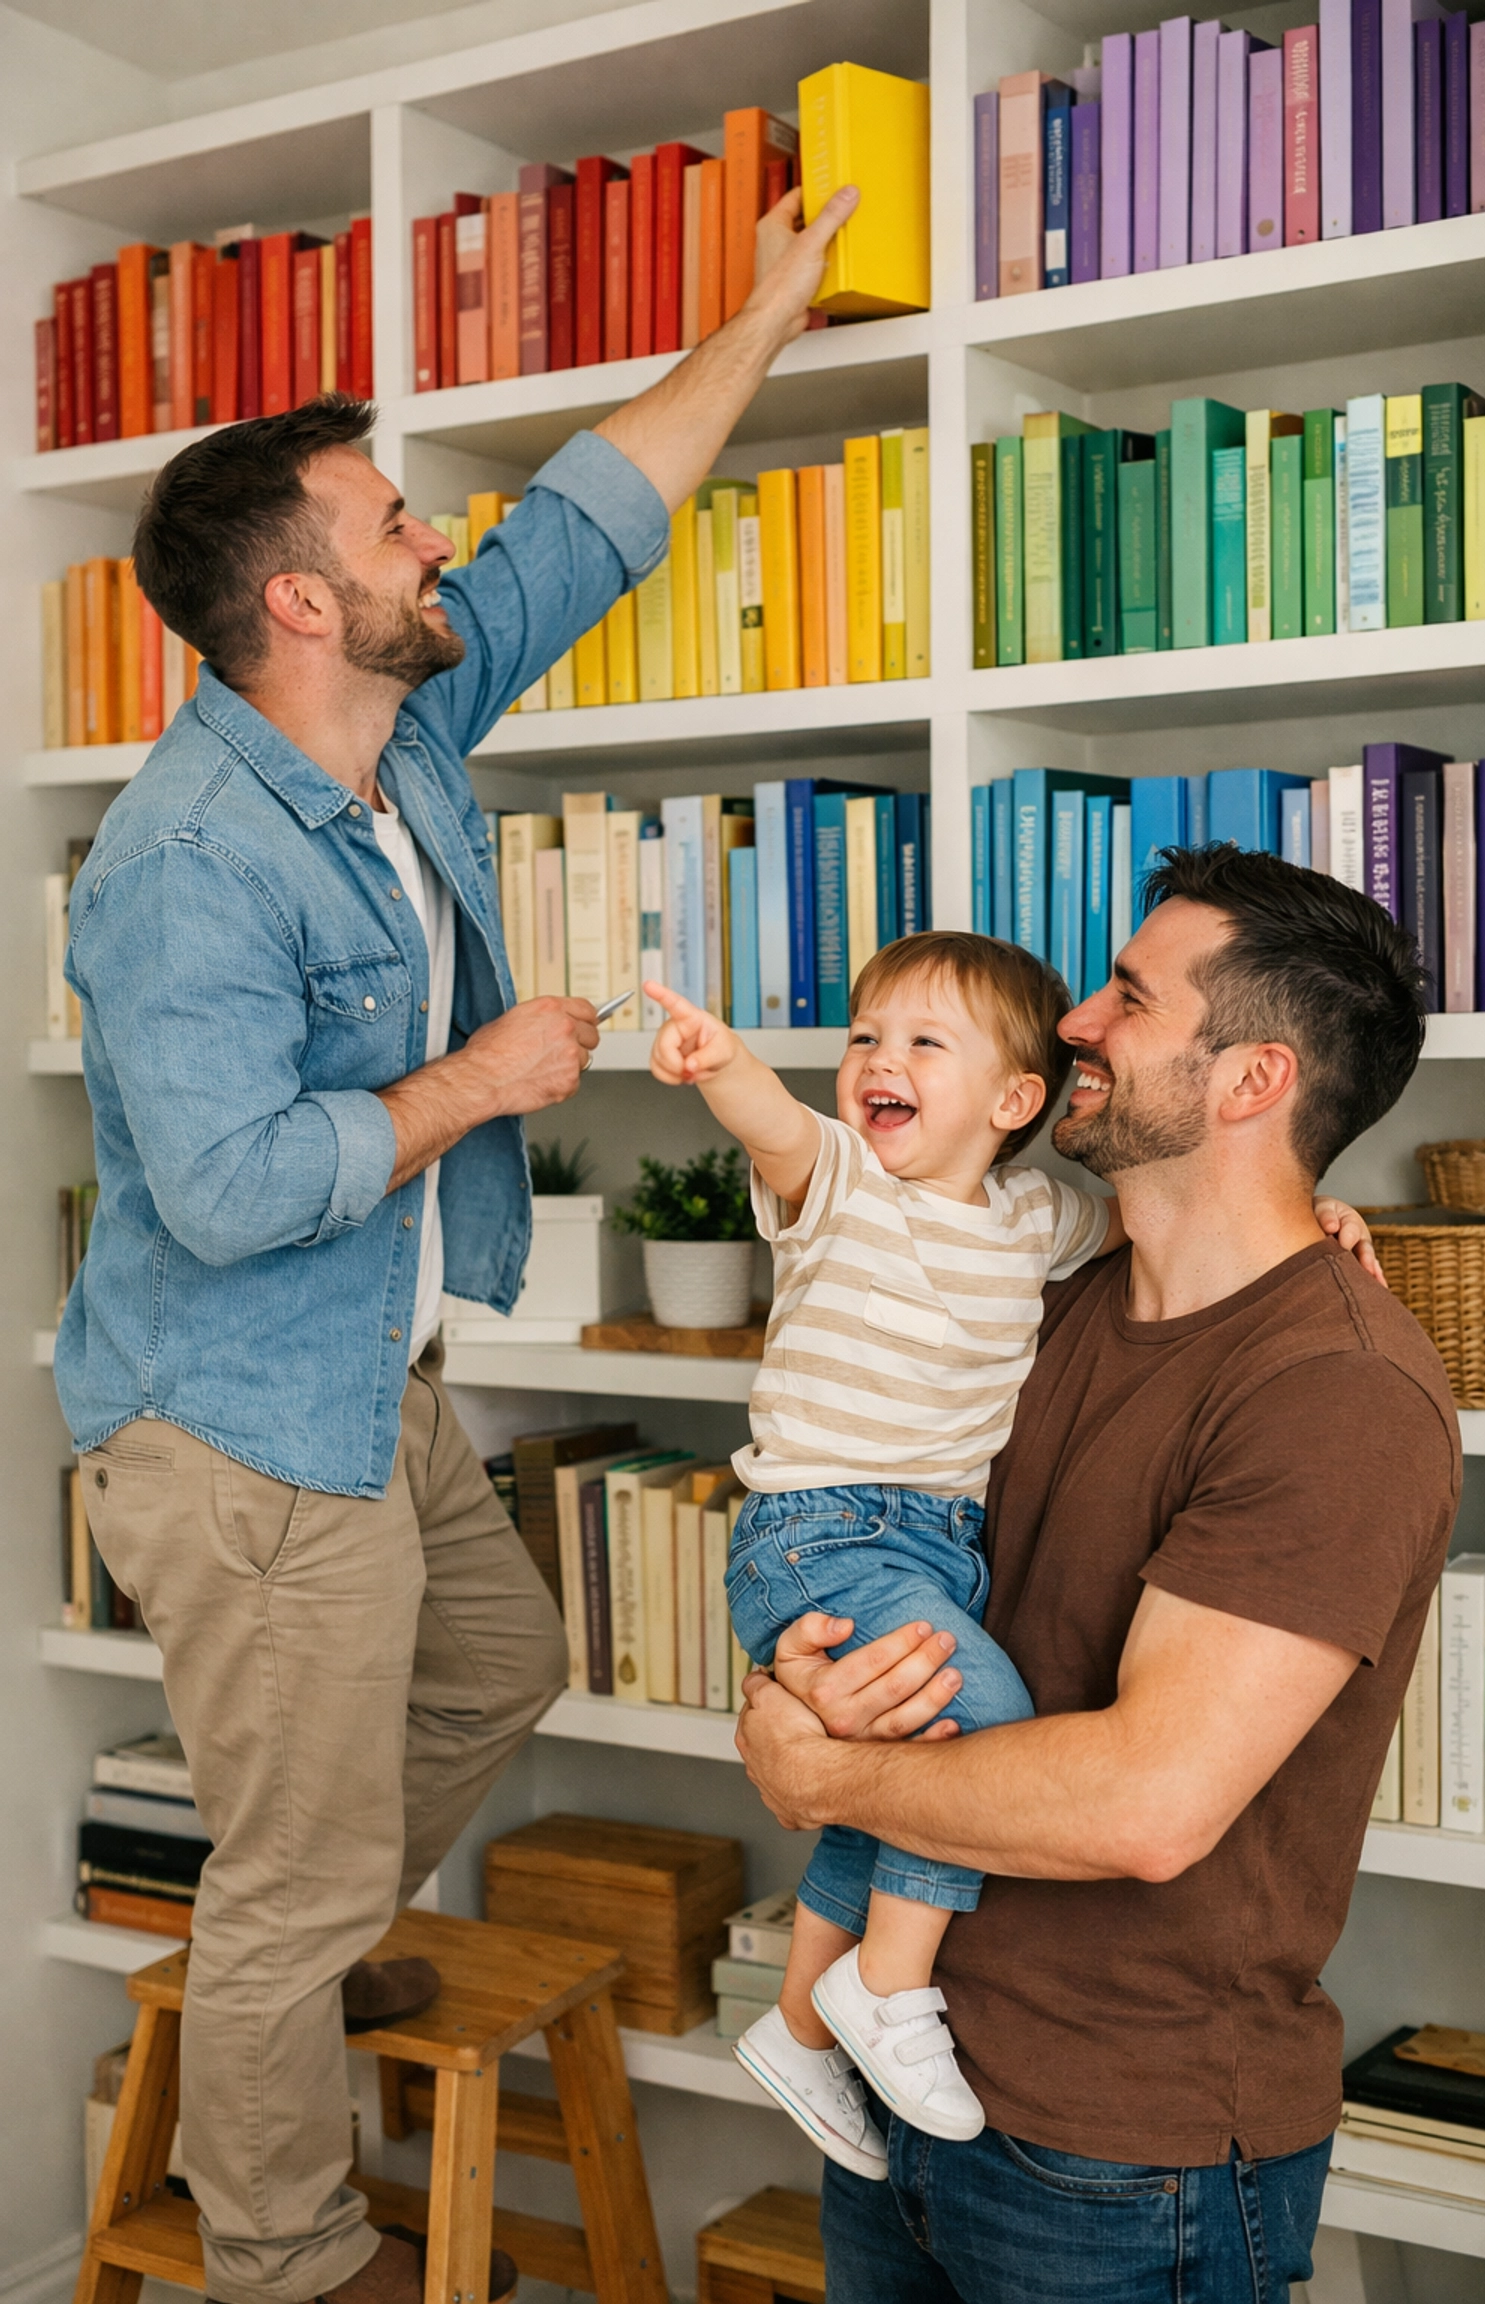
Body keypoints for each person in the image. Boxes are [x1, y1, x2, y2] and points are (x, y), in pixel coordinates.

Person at [57, 183, 859, 2304]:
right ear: (301, 600)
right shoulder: (183, 867)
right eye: (397, 524)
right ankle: (291, 2247)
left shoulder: (395, 724)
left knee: (505, 1668)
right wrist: (480, 1084)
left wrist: (767, 313)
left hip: (368, 1382)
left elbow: (592, 519)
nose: (441, 545)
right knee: (296, 1886)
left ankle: (299, 1942)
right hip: (234, 1425)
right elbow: (228, 1192)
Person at [732, 846, 1462, 2304]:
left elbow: (1146, 1806)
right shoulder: (1032, 1301)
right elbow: (857, 1545)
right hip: (907, 2095)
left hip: (1128, 2161)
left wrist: (812, 1773)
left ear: (1250, 1081)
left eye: (1128, 997)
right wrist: (787, 1682)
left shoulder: (1339, 1390)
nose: (1074, 1022)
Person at [642, 923, 1379, 2182]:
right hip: (827, 1527)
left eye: (925, 1042)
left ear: (1014, 1100)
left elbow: (1187, 1216)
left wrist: (1308, 1209)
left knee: (923, 1746)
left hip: (1123, 2136)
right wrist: (721, 1061)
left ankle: (817, 2020)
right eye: (868, 1037)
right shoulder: (845, 1185)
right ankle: (883, 1999)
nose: (880, 1059)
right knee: (972, 1715)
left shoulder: (1045, 1226)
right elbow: (773, 1125)